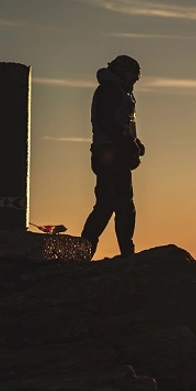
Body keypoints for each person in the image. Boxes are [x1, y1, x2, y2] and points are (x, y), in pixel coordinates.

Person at [81, 54, 145, 257]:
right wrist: (127, 143)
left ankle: (83, 251)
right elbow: (106, 121)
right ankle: (127, 253)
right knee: (124, 204)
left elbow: (117, 123)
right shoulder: (111, 90)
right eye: (134, 75)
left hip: (107, 152)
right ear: (123, 72)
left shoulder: (116, 90)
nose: (135, 79)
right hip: (111, 154)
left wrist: (134, 143)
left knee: (105, 206)